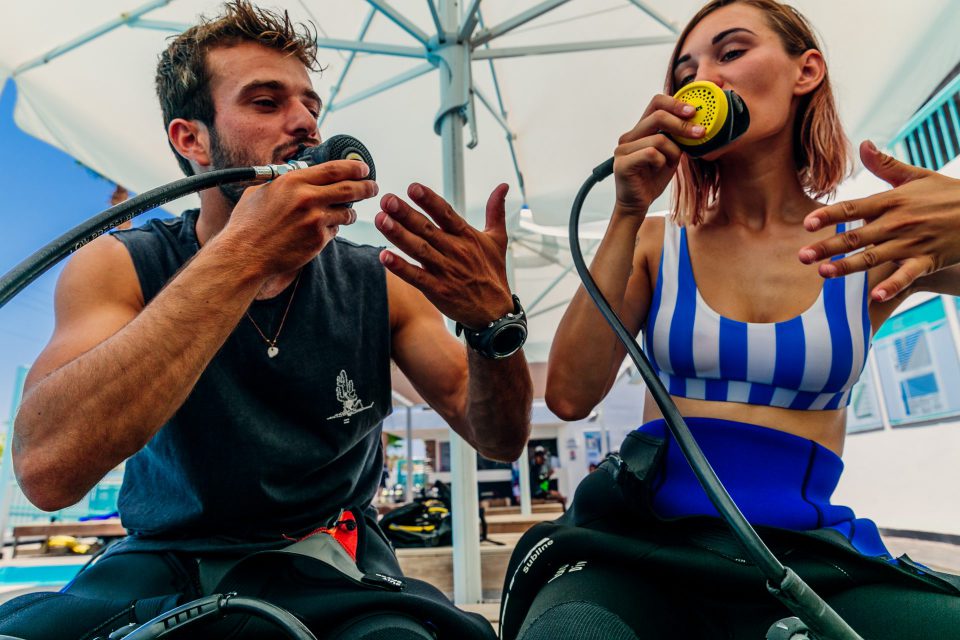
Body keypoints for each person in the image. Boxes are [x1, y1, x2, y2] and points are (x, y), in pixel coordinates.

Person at [0, 2, 531, 638]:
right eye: (265, 102)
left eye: (310, 104)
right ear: (191, 140)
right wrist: (245, 255)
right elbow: (48, 472)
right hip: (169, 563)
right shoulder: (121, 265)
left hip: (335, 562)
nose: (305, 122)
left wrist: (494, 328)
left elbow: (498, 437)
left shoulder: (380, 280)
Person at [499, 1, 960, 639]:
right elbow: (570, 396)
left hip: (805, 557)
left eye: (732, 52)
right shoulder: (656, 241)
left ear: (806, 71)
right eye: (685, 72)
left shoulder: (865, 243)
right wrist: (627, 210)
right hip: (645, 548)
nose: (702, 80)